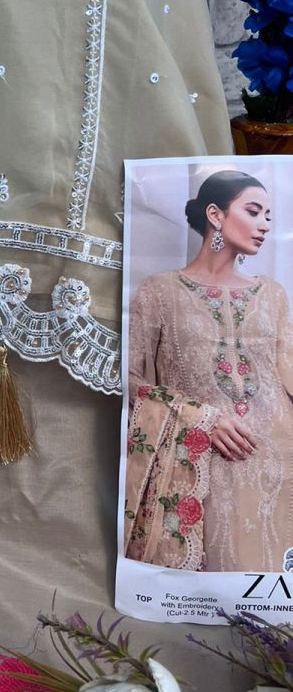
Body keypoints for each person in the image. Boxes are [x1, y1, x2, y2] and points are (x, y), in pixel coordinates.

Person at [125, 169, 293, 572]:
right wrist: (200, 419)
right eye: (253, 211)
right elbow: (128, 380)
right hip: (203, 459)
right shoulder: (160, 291)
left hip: (279, 462)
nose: (264, 225)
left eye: (269, 216)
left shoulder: (272, 294)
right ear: (215, 214)